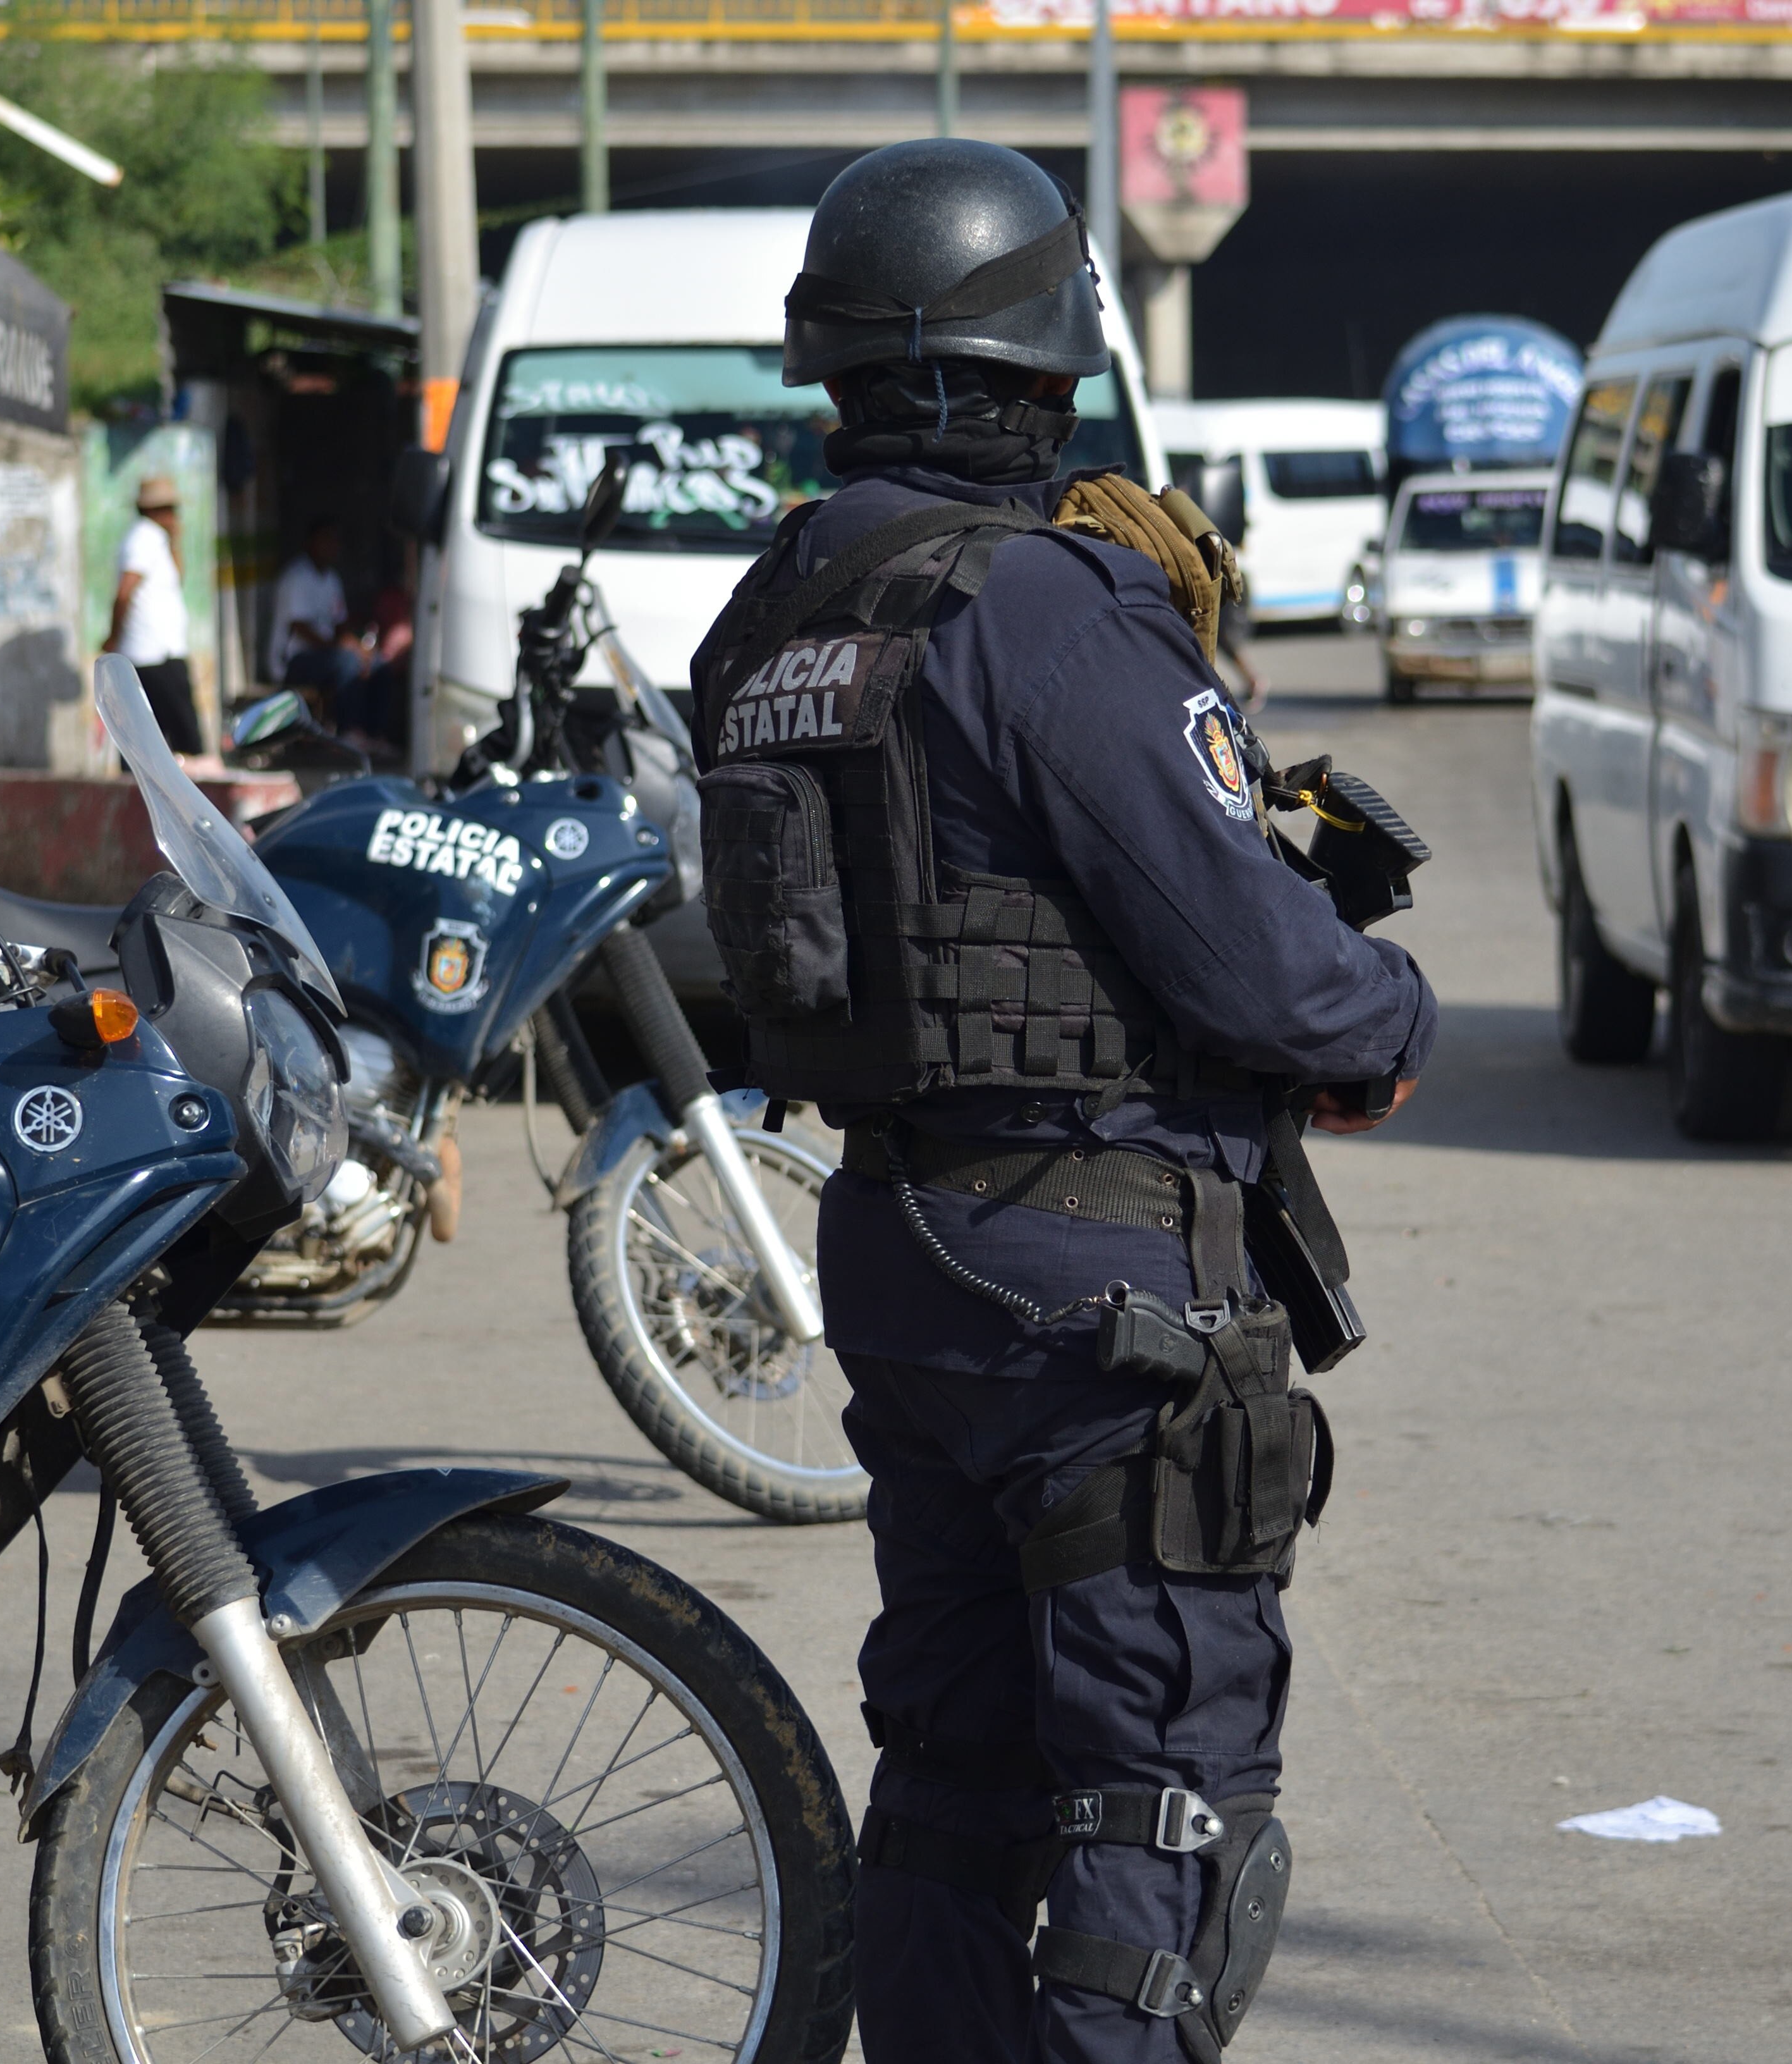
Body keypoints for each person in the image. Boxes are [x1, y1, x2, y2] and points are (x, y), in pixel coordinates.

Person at [689, 139, 1436, 2064]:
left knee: (957, 1773)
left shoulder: (771, 611)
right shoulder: (1050, 606)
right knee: (1161, 1802)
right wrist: (1386, 1007)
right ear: (1043, 369)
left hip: (899, 1250)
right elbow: (1266, 974)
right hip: (1098, 1293)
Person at [106, 475, 201, 756]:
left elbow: (178, 578)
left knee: (156, 741)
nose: (174, 515)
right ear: (153, 511)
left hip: (163, 653)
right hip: (153, 655)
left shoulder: (156, 539)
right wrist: (113, 637)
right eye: (168, 509)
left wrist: (175, 541)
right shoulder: (143, 538)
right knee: (185, 740)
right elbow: (124, 593)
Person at [272, 514, 372, 722]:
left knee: (377, 664)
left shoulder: (331, 578)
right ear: (310, 543)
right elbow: (301, 627)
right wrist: (340, 647)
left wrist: (358, 645)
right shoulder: (297, 576)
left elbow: (340, 622)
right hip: (293, 660)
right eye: (325, 540)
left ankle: (370, 731)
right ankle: (348, 729)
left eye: (334, 541)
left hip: (326, 655)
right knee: (347, 662)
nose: (331, 546)